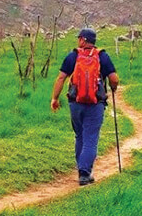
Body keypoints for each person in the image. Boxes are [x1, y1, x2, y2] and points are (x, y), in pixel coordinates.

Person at [51, 28, 120, 185]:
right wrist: (113, 88)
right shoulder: (102, 56)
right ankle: (84, 173)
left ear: (83, 40)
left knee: (80, 135)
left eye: (79, 38)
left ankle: (82, 169)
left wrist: (54, 98)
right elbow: (114, 78)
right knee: (91, 137)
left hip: (75, 103)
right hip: (95, 104)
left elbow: (61, 78)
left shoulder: (73, 55)